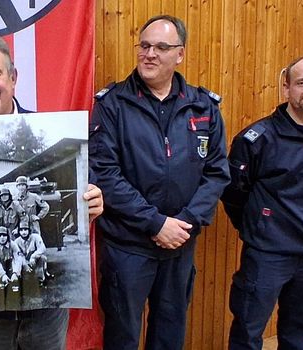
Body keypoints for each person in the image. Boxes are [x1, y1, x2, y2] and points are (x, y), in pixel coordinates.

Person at [0, 32, 104, 350]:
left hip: (44, 317)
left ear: (13, 77)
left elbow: (83, 193)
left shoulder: (49, 130)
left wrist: (93, 201)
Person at [89, 15, 230, 350]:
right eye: (145, 46)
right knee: (122, 336)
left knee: (169, 334)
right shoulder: (112, 104)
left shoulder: (203, 106)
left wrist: (185, 222)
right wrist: (155, 223)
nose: (149, 54)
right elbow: (105, 174)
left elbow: (216, 172)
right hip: (128, 247)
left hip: (180, 244)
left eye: (161, 47)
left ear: (180, 54)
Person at [222, 56, 303, 350]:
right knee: (248, 331)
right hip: (269, 255)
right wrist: (262, 227)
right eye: (302, 82)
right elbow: (234, 193)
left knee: (299, 333)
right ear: (287, 88)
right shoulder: (257, 139)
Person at [13, 221, 48, 287]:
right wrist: (25, 264)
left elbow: (42, 248)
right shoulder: (16, 242)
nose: (23, 232)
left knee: (42, 257)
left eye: (25, 229)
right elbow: (17, 255)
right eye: (21, 230)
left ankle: (41, 279)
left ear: (29, 230)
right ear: (19, 231)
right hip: (24, 262)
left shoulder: (36, 237)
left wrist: (33, 256)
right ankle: (20, 280)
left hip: (34, 261)